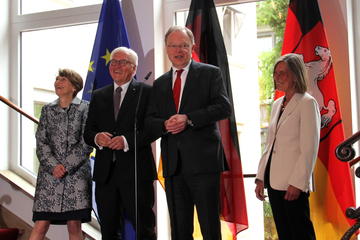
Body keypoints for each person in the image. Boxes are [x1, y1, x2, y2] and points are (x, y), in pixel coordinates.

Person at [145, 26, 232, 240]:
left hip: (204, 164)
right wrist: (165, 125)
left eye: (183, 45)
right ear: (166, 49)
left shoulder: (210, 73)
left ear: (192, 47)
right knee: (180, 230)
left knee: (210, 228)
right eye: (173, 45)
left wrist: (189, 118)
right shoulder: (160, 83)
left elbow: (223, 107)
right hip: (174, 167)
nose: (178, 50)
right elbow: (150, 121)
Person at [84, 46, 157, 240]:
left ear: (134, 68)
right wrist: (97, 138)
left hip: (136, 172)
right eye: (113, 62)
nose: (116, 66)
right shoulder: (99, 95)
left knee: (144, 228)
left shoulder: (147, 92)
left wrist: (126, 141)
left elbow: (153, 129)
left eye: (122, 62)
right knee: (108, 230)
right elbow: (88, 132)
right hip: (105, 174)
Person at [255, 53, 320, 240]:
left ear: (295, 75)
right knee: (284, 234)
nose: (277, 77)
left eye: (283, 73)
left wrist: (298, 183)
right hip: (274, 181)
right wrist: (261, 177)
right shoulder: (276, 104)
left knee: (301, 234)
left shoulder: (307, 103)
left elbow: (309, 148)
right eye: (276, 73)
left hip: (293, 184)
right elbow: (269, 145)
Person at [30, 68, 93, 240]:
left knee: (74, 225)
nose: (58, 82)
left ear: (74, 86)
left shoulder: (86, 108)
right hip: (49, 176)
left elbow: (87, 142)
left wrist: (66, 166)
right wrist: (53, 166)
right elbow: (41, 141)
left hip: (76, 175)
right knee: (41, 224)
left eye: (63, 79)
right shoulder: (47, 110)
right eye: (57, 78)